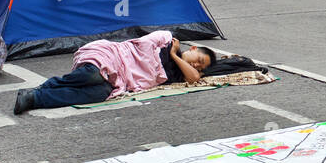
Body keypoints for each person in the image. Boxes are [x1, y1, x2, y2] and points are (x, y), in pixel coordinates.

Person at [14, 31, 213, 112]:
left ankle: (34, 98)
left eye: (201, 67)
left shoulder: (178, 70)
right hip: (113, 56)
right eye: (199, 60)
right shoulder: (167, 38)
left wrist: (176, 56)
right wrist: (171, 49)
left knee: (99, 93)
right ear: (193, 49)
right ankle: (46, 87)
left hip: (120, 81)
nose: (196, 66)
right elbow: (141, 46)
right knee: (91, 75)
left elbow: (194, 77)